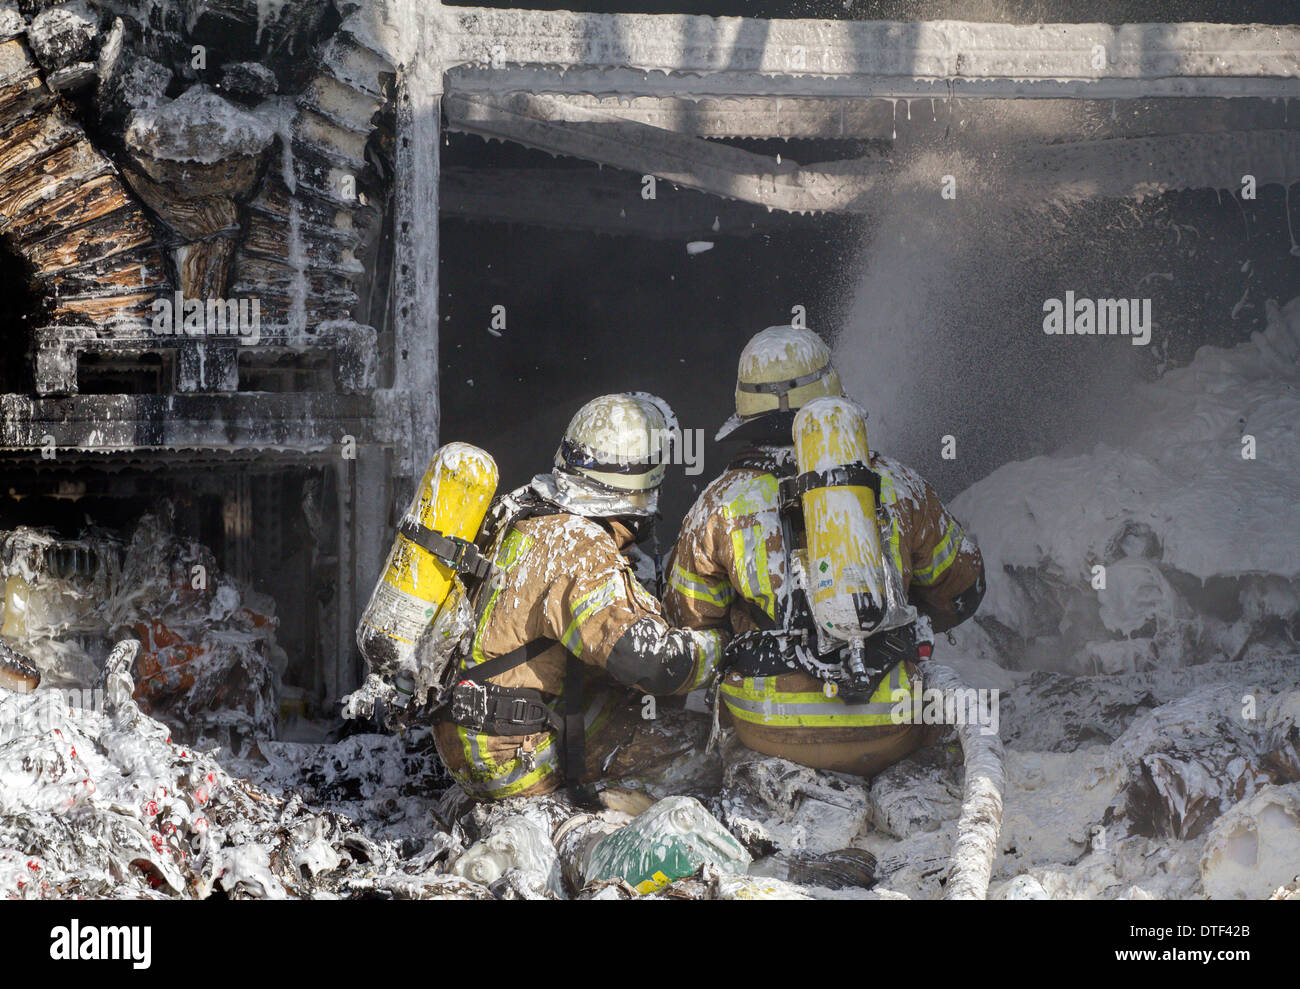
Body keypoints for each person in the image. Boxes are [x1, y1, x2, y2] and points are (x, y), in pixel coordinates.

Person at [664, 326, 985, 777]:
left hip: (770, 732)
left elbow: (688, 623)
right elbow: (964, 590)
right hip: (888, 730)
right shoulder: (899, 484)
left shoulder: (718, 504)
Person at [433, 392, 726, 802]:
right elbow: (650, 662)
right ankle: (592, 815)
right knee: (694, 744)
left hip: (463, 738)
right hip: (509, 757)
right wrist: (724, 649)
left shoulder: (520, 511)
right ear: (642, 487)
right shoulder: (579, 544)